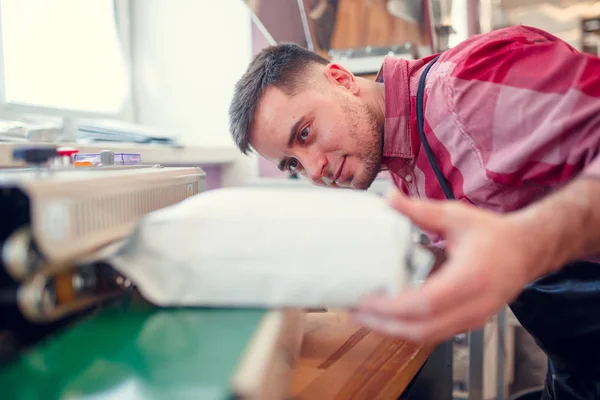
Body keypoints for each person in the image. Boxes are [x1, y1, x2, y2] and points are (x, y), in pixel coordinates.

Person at [228, 24, 600, 399]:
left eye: (305, 133)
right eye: (292, 164)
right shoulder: (405, 161)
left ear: (341, 80)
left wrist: (527, 242)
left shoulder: (465, 84)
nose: (314, 170)